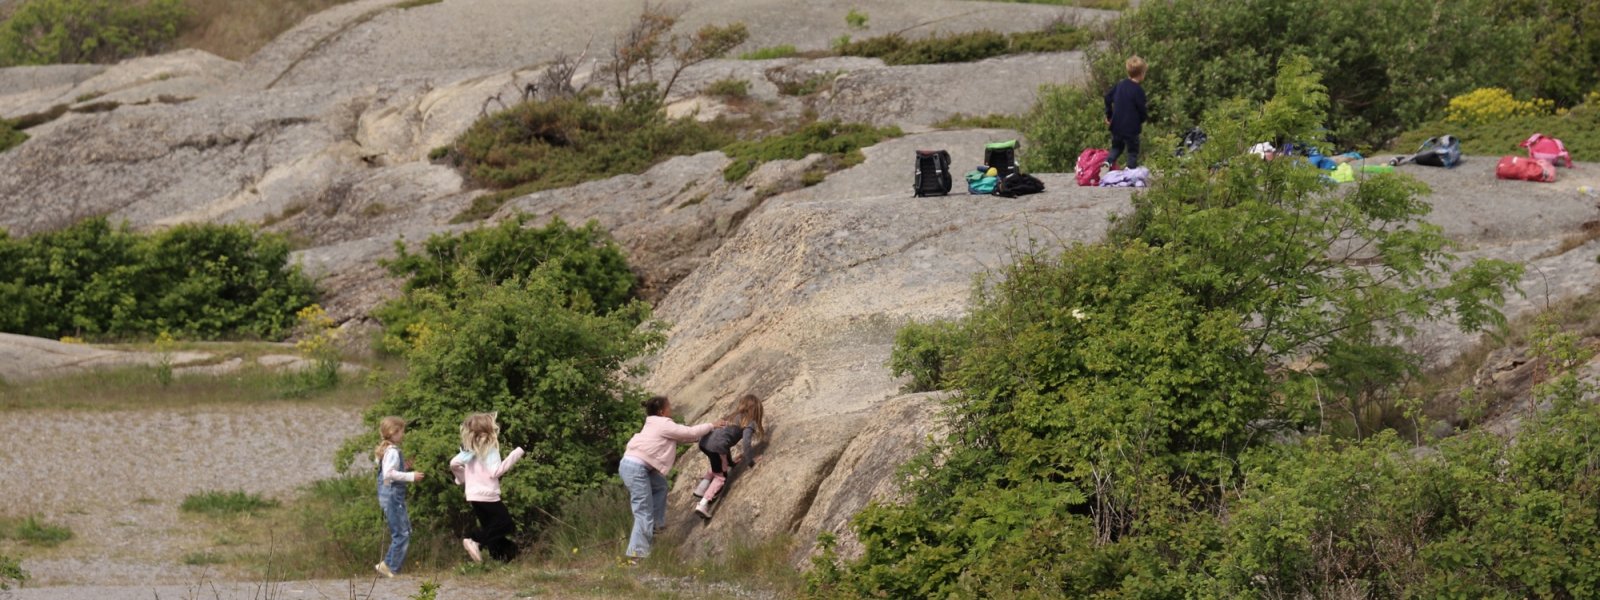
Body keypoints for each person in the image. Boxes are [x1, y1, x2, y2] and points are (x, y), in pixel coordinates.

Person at [619, 395, 723, 561]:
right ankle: (637, 555)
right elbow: (688, 432)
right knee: (643, 511)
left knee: (660, 486)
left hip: (633, 465)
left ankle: (655, 525)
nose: (671, 409)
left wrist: (704, 435)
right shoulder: (663, 423)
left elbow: (684, 437)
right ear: (662, 411)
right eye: (669, 407)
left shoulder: (653, 422)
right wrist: (712, 425)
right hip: (636, 468)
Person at [450, 412, 525, 563]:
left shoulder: (468, 448)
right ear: (489, 429)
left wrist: (461, 478)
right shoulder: (489, 447)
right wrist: (516, 454)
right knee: (505, 524)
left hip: (473, 495)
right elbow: (495, 472)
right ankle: (474, 540)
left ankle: (505, 557)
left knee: (492, 529)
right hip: (487, 494)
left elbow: (453, 464)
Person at [693, 393, 767, 519]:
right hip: (716, 447)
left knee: (716, 463)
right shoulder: (749, 422)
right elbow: (746, 444)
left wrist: (731, 462)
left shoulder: (733, 416)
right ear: (757, 411)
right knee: (720, 477)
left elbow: (723, 442)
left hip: (705, 443)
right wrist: (751, 461)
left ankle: (701, 489)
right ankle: (703, 504)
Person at [374, 416, 424, 578]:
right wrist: (411, 476)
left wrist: (404, 466)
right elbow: (389, 474)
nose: (403, 435)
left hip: (388, 497)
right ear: (394, 432)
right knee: (402, 533)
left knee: (405, 531)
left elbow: (388, 470)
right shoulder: (393, 452)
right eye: (402, 431)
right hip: (393, 497)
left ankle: (388, 565)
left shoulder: (386, 451)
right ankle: (390, 566)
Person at [1102, 55, 1149, 172]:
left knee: (1116, 147)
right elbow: (1142, 110)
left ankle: (1108, 162)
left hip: (1116, 125)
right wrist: (1142, 119)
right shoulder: (1138, 91)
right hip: (1131, 127)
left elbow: (1107, 97)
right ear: (1142, 73)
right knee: (1132, 151)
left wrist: (1109, 115)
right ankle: (1130, 170)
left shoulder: (1120, 85)